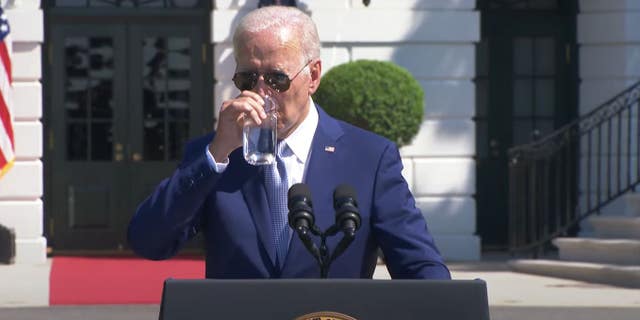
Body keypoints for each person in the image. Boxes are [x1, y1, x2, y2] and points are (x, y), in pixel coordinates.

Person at [128, 6, 451, 279]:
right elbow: (148, 241)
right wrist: (216, 154)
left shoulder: (369, 157)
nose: (261, 91)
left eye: (277, 78)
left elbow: (419, 265)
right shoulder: (214, 156)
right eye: (247, 79)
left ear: (313, 76)